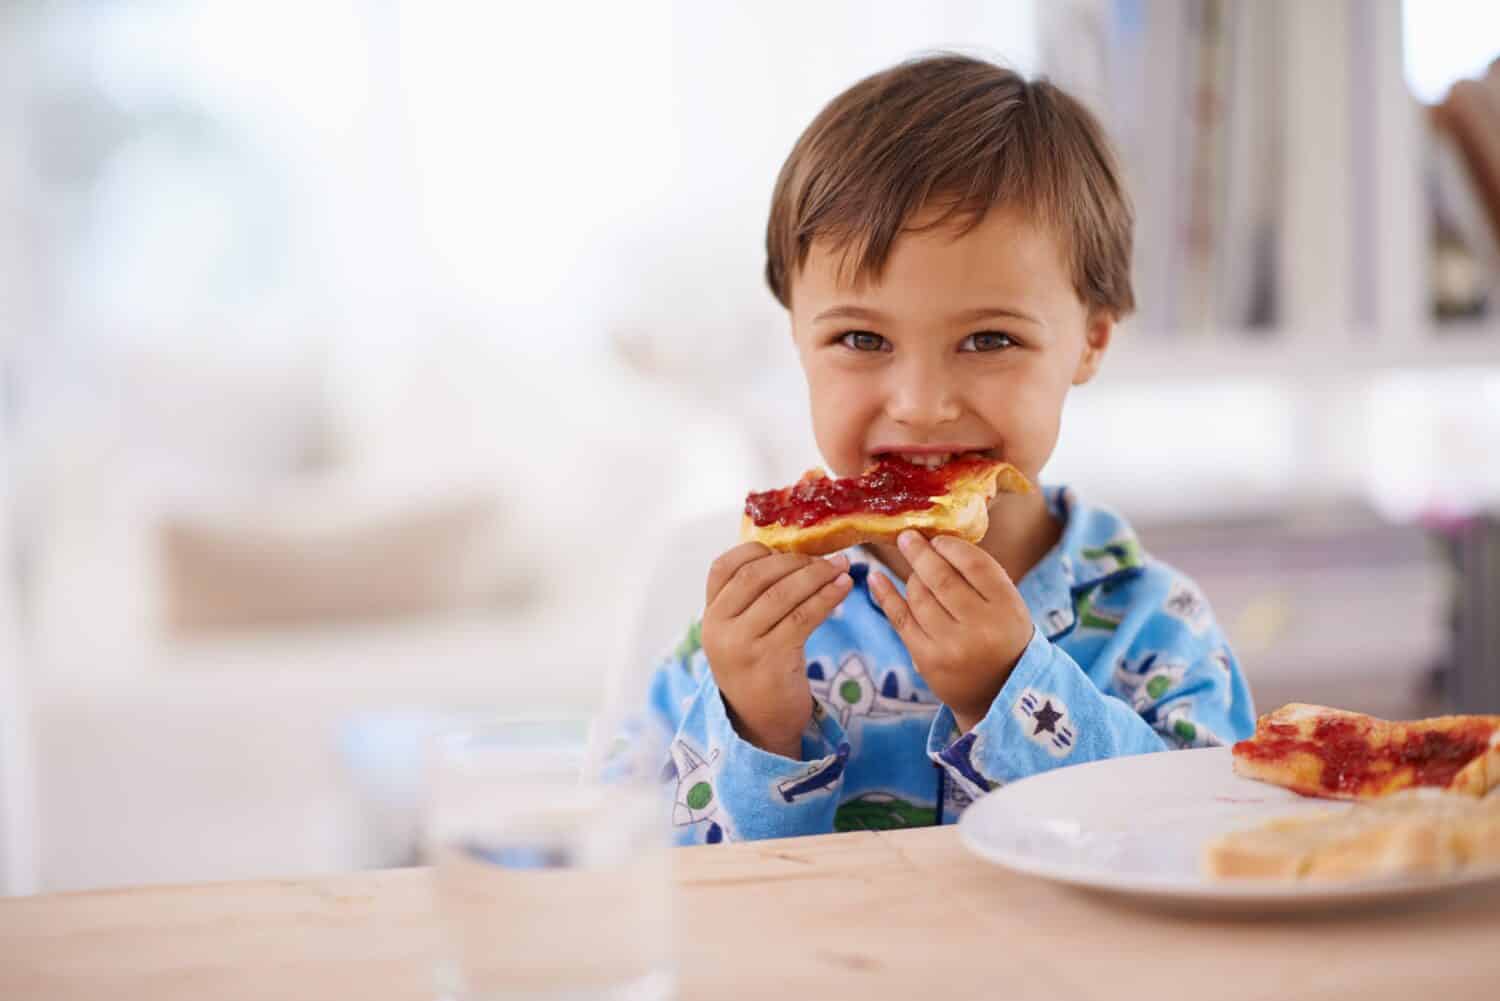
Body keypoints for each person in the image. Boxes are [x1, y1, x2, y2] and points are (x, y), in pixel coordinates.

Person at [646, 54, 1255, 845]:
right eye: (861, 337)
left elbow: (1210, 844)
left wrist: (1015, 692)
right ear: (796, 332)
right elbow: (641, 895)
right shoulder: (735, 641)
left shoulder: (1157, 627)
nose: (923, 405)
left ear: (1092, 338)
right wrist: (757, 728)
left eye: (989, 338)